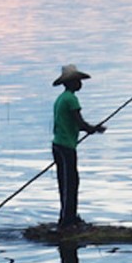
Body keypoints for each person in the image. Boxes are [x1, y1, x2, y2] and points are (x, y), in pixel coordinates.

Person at [51, 64, 105, 231]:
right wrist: (94, 129)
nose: (80, 84)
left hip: (58, 144)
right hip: (66, 146)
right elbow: (79, 122)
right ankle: (68, 221)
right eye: (78, 81)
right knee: (71, 183)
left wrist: (90, 128)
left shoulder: (61, 98)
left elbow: (74, 123)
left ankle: (68, 216)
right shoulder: (71, 99)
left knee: (64, 182)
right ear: (71, 83)